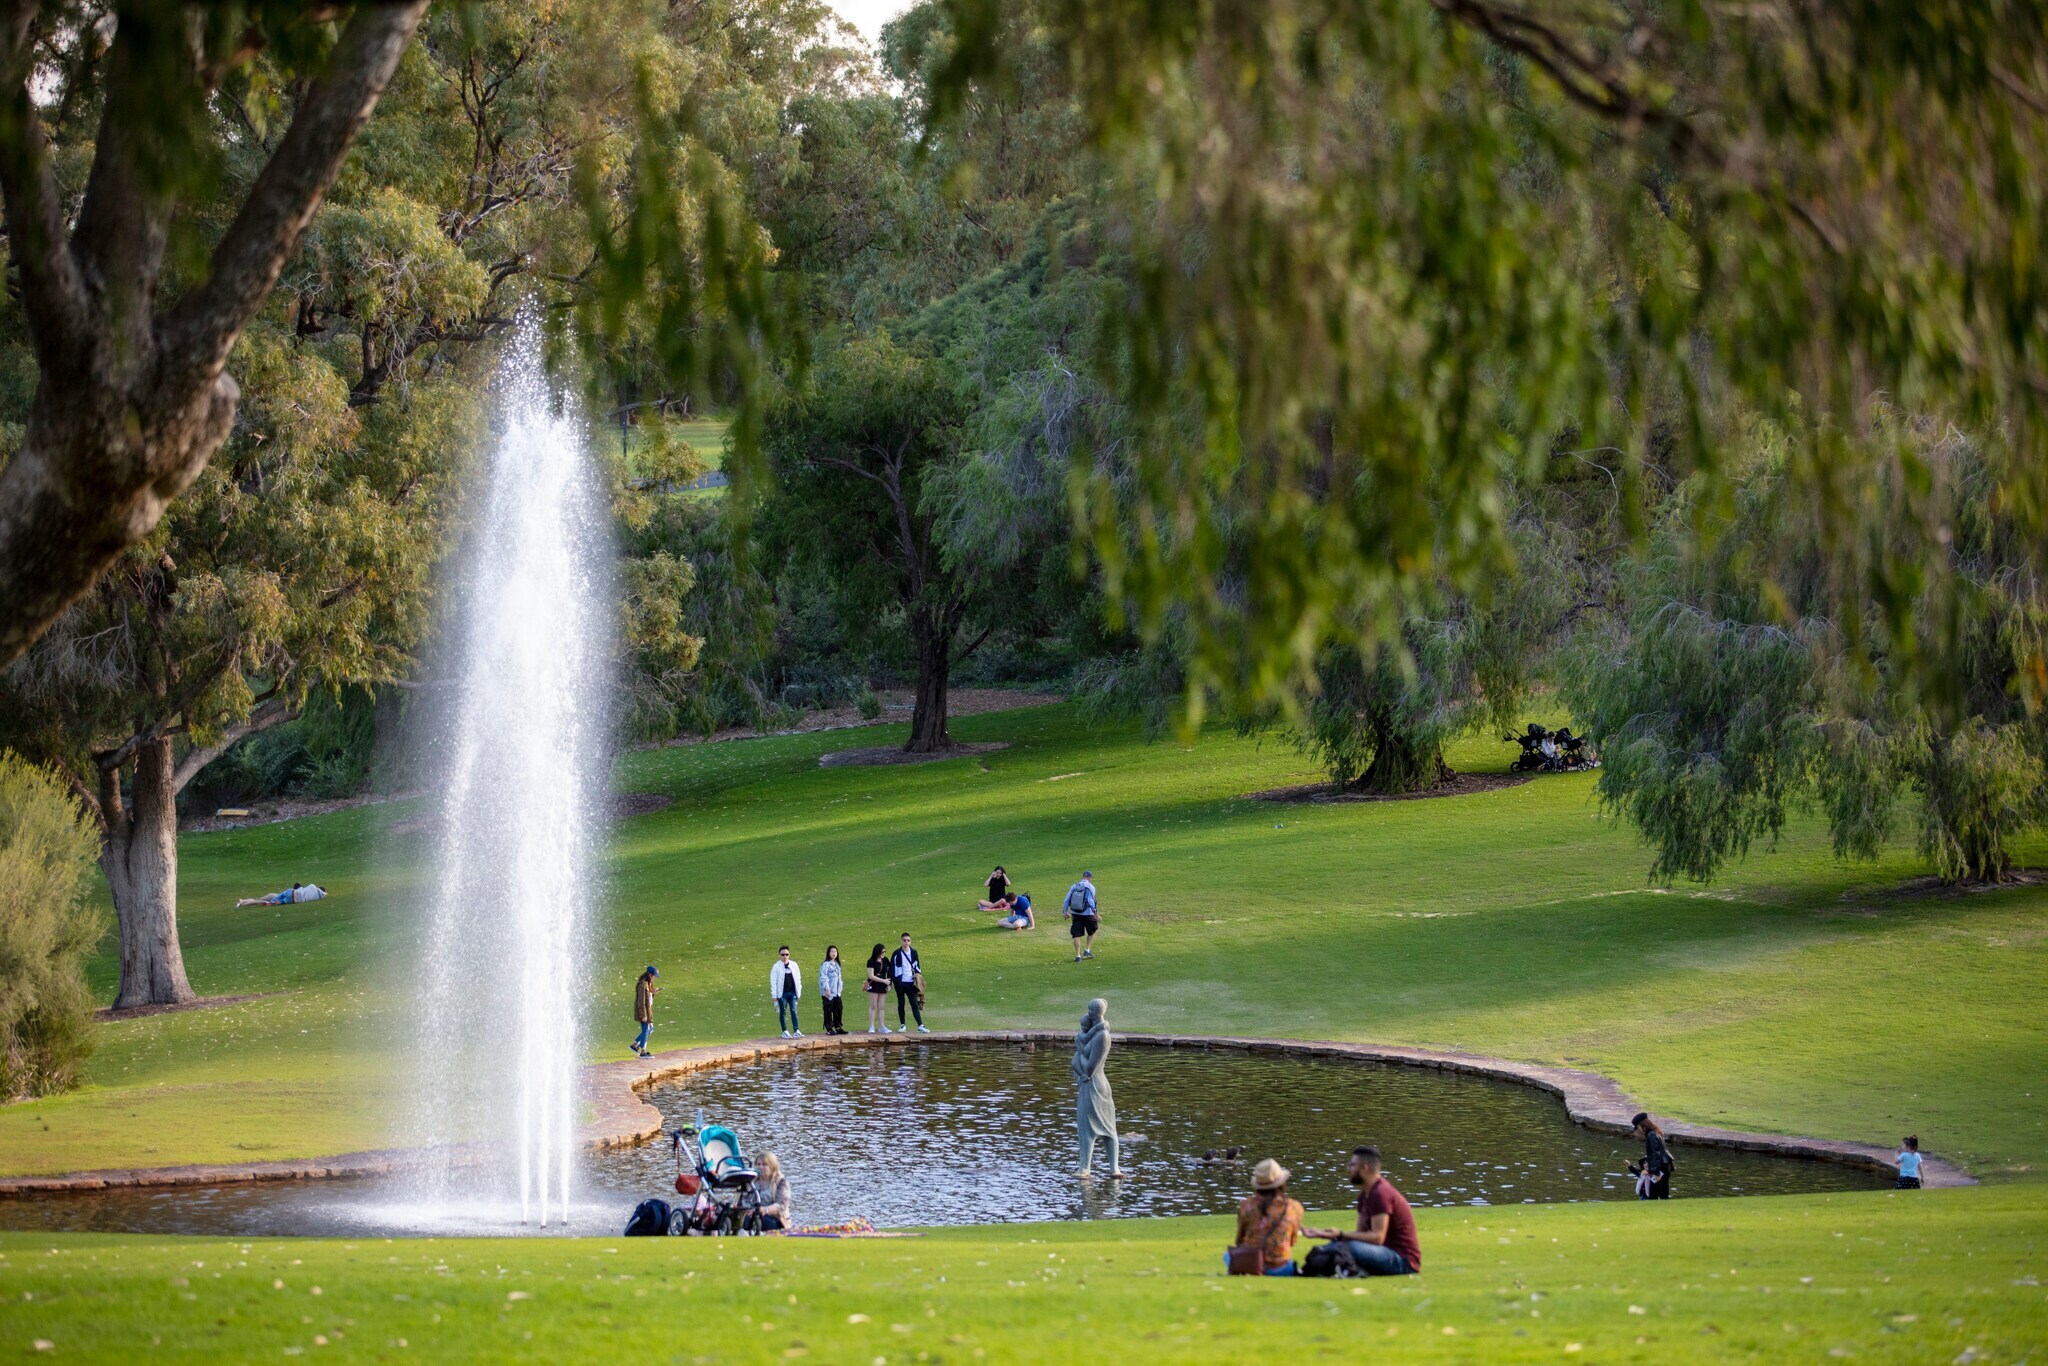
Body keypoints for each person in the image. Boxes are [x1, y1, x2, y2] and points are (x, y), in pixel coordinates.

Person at [1305, 1145, 1421, 1275]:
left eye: (1353, 1165)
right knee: (1337, 1245)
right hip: (1380, 1251)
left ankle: (1351, 1269)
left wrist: (1340, 1234)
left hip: (1403, 1261)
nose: (1349, 1169)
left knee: (1349, 1247)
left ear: (1364, 1168)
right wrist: (1327, 1234)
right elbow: (1360, 1234)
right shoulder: (1364, 1195)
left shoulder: (1381, 1193)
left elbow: (1378, 1237)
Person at [1073, 998, 1125, 1177]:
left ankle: (1109, 1168)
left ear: (1094, 1012)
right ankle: (1086, 1166)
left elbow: (1091, 1067)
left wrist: (1080, 1055)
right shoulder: (1095, 1033)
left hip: (1095, 1084)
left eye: (1089, 1010)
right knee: (1086, 1126)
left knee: (1102, 1128)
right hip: (1091, 1082)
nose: (1088, 1013)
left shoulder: (1102, 1036)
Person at [1230, 1158, 1304, 1275]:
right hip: (1280, 1267)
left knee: (1226, 1256)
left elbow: (1239, 1240)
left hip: (1250, 1264)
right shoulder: (1294, 1207)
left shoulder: (1246, 1206)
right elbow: (1292, 1241)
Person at [1626, 1112, 1674, 1199]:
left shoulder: (1651, 1135)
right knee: (1663, 1193)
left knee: (1653, 1195)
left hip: (1660, 1168)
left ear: (1642, 1126)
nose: (1638, 1130)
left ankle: (1655, 1211)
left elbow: (1655, 1154)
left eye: (1637, 1128)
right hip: (1666, 1166)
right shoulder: (1656, 1132)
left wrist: (1655, 1172)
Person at [890, 932, 928, 1033]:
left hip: (910, 982)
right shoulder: (896, 953)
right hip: (900, 982)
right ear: (901, 941)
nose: (906, 942)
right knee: (901, 1003)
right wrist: (891, 982)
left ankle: (920, 1025)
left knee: (914, 1003)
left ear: (910, 941)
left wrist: (918, 977)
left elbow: (917, 966)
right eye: (904, 940)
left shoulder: (914, 952)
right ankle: (902, 1024)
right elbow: (892, 968)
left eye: (908, 940)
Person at [752, 1152, 793, 1232]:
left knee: (765, 1222)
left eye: (764, 1164)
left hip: (775, 1219)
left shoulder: (781, 1182)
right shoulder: (751, 1181)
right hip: (753, 1216)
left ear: (772, 1167)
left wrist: (763, 1210)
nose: (760, 1167)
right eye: (758, 1164)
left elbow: (781, 1206)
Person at [1063, 871, 1099, 961]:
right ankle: (1087, 950)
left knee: (1076, 934)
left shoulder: (1074, 886)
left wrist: (1065, 912)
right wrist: (1096, 913)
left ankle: (1078, 956)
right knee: (1092, 931)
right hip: (1088, 914)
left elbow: (1066, 899)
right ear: (1090, 878)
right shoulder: (1091, 887)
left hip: (1075, 913)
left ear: (1082, 877)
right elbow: (1091, 902)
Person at [770, 945, 804, 1038]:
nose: (785, 956)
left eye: (786, 954)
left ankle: (796, 1030)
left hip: (792, 992)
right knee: (783, 1011)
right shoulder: (776, 967)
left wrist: (799, 992)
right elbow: (773, 981)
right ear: (779, 955)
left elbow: (798, 979)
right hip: (782, 994)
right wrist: (774, 995)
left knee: (794, 1011)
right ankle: (784, 1030)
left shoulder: (794, 965)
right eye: (783, 955)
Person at [630, 965, 660, 1058]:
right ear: (650, 975)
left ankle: (635, 1045)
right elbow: (641, 1001)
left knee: (650, 1029)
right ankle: (643, 1051)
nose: (655, 978)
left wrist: (653, 992)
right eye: (654, 976)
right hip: (644, 1013)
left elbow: (648, 998)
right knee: (646, 1030)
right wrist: (643, 1015)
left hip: (647, 1011)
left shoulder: (648, 984)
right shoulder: (643, 984)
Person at [863, 942, 892, 1033]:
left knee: (881, 1006)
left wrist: (889, 984)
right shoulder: (871, 961)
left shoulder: (885, 960)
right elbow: (871, 976)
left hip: (883, 985)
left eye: (884, 952)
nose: (883, 954)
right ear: (877, 952)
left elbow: (889, 972)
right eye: (882, 952)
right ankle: (871, 1026)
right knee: (873, 1005)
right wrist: (884, 981)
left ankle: (882, 1026)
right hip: (874, 984)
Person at [818, 945, 846, 1035]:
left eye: (835, 952)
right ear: (828, 953)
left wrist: (840, 988)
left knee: (838, 1009)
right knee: (828, 1010)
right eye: (832, 952)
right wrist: (827, 989)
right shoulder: (826, 964)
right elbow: (823, 977)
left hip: (837, 992)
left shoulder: (837, 964)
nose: (834, 953)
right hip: (829, 992)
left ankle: (838, 1026)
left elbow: (839, 978)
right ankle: (829, 1028)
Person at [236, 882, 326, 907]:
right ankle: (245, 901)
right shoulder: (319, 897)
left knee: (271, 897)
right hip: (291, 901)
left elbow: (300, 887)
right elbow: (324, 894)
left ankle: (242, 902)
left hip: (290, 892)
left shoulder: (313, 886)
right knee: (269, 901)